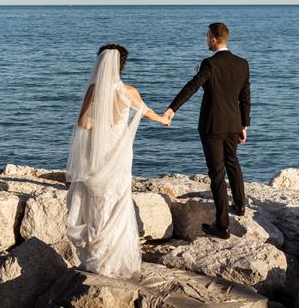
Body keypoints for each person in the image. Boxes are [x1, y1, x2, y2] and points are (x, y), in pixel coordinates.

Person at [65, 44, 169, 278]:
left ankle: (95, 256)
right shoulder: (129, 92)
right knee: (117, 200)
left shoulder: (94, 89)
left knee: (95, 200)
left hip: (97, 152)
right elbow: (147, 112)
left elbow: (83, 122)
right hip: (119, 154)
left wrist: (98, 128)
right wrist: (164, 119)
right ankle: (114, 257)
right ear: (122, 65)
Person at [164, 22, 250, 239]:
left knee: (217, 174)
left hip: (212, 126)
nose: (206, 40)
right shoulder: (242, 64)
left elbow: (192, 86)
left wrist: (172, 108)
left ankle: (222, 226)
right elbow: (245, 97)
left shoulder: (209, 64)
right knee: (233, 163)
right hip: (233, 124)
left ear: (213, 39)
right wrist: (244, 125)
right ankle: (240, 206)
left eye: (207, 37)